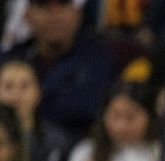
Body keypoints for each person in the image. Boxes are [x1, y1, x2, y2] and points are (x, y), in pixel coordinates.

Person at [0, 0, 114, 141]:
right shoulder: (9, 58)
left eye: (63, 5)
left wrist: (26, 108)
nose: (55, 16)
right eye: (44, 7)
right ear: (26, 16)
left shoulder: (98, 58)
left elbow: (88, 108)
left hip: (76, 149)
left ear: (78, 13)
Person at [0, 59, 70, 161]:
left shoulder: (56, 139)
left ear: (38, 92)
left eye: (24, 86)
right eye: (8, 87)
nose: (16, 95)